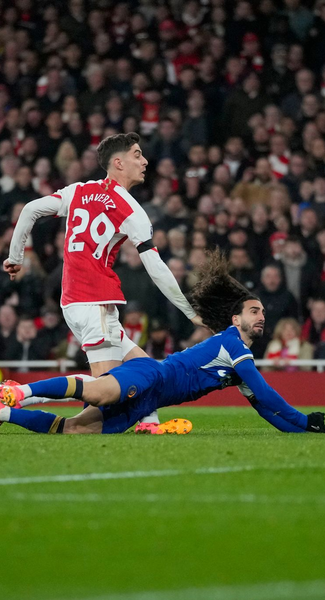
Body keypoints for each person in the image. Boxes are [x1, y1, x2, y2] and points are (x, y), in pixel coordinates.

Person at [0, 251, 325, 435]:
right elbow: (266, 392)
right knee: (99, 390)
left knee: (74, 431)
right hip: (151, 375)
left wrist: (301, 431)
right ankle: (22, 392)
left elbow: (264, 407)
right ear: (235, 320)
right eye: (253, 311)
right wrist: (304, 419)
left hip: (147, 400)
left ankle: (4, 414)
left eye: (262, 312)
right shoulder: (233, 345)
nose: (261, 317)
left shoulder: (238, 359)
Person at [3, 133, 202, 434]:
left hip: (73, 301)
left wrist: (14, 258)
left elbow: (30, 210)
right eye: (137, 154)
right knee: (101, 398)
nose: (145, 160)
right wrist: (190, 312)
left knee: (149, 371)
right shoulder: (132, 210)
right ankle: (17, 397)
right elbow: (158, 269)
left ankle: (149, 424)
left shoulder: (79, 191)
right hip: (95, 300)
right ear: (118, 163)